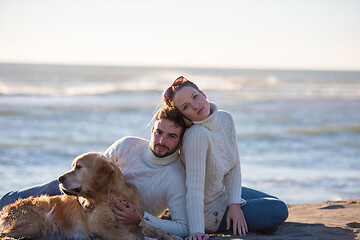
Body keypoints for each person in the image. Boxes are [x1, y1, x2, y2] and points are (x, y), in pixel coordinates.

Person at [0, 107, 189, 237]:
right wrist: (83, 197)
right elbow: (91, 166)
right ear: (152, 130)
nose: (162, 140)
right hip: (79, 195)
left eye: (171, 136)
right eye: (158, 132)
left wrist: (141, 218)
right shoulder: (128, 145)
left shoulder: (175, 177)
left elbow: (183, 228)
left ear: (180, 141)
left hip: (105, 210)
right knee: (14, 201)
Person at [163, 76, 288, 240]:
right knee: (279, 209)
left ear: (203, 94)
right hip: (209, 212)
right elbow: (194, 188)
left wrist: (235, 205)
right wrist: (197, 232)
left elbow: (234, 166)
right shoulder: (196, 135)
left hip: (221, 194)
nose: (195, 105)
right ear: (183, 115)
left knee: (274, 200)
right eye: (186, 106)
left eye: (195, 97)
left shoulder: (225, 118)